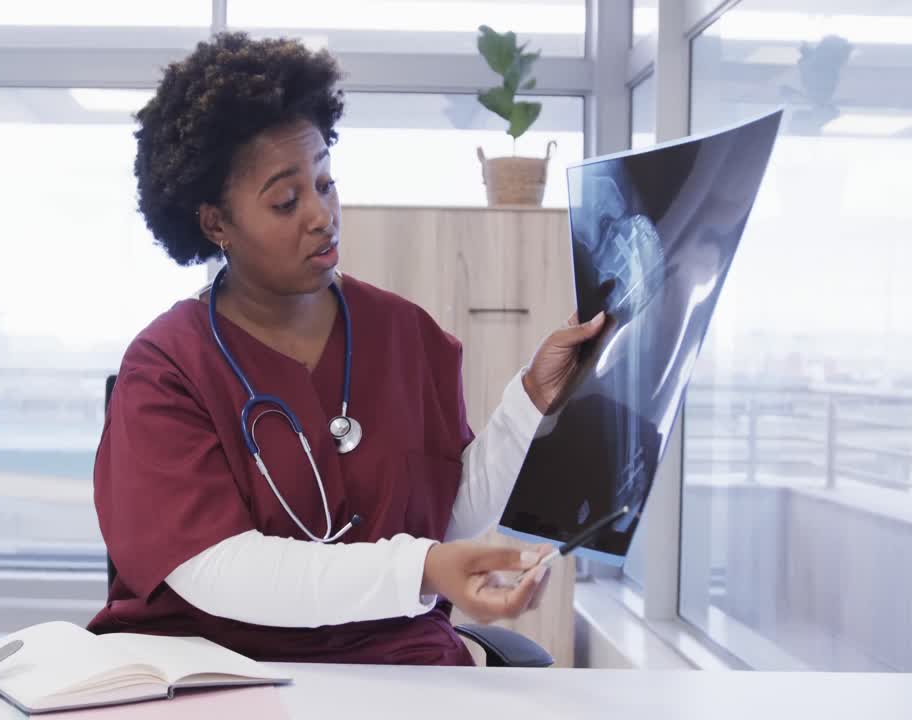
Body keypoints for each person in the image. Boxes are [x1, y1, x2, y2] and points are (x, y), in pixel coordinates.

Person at [87, 33, 604, 666]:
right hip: (219, 670)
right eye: (285, 200)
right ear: (216, 223)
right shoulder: (168, 368)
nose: (321, 214)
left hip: (394, 661)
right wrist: (422, 569)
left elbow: (446, 518)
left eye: (325, 183)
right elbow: (217, 570)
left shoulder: (403, 334)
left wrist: (531, 400)